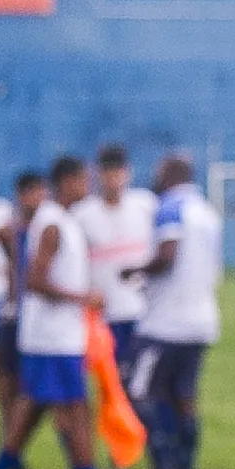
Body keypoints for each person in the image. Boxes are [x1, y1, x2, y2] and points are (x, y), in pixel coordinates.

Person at [0, 154, 114, 469]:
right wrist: (83, 298)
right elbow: (35, 280)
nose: (88, 186)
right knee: (77, 413)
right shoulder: (52, 224)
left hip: (52, 337)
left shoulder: (60, 220)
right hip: (53, 339)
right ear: (67, 182)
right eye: (83, 179)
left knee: (29, 413)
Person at [126, 153, 222, 469]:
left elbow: (167, 255)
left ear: (168, 175)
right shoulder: (206, 211)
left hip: (166, 322)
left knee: (138, 391)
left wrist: (136, 271)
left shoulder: (170, 207)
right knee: (183, 395)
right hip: (201, 319)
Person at [74, 144, 158, 370]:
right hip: (104, 313)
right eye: (107, 172)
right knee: (109, 377)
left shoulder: (146, 206)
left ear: (127, 172)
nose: (113, 178)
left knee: (139, 378)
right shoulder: (83, 214)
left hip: (142, 311)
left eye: (118, 171)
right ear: (98, 173)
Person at [0, 169, 47, 469]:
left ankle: (13, 452)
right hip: (13, 316)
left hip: (40, 321)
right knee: (7, 388)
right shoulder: (13, 230)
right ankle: (11, 454)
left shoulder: (50, 228)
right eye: (30, 193)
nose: (35, 199)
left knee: (40, 392)